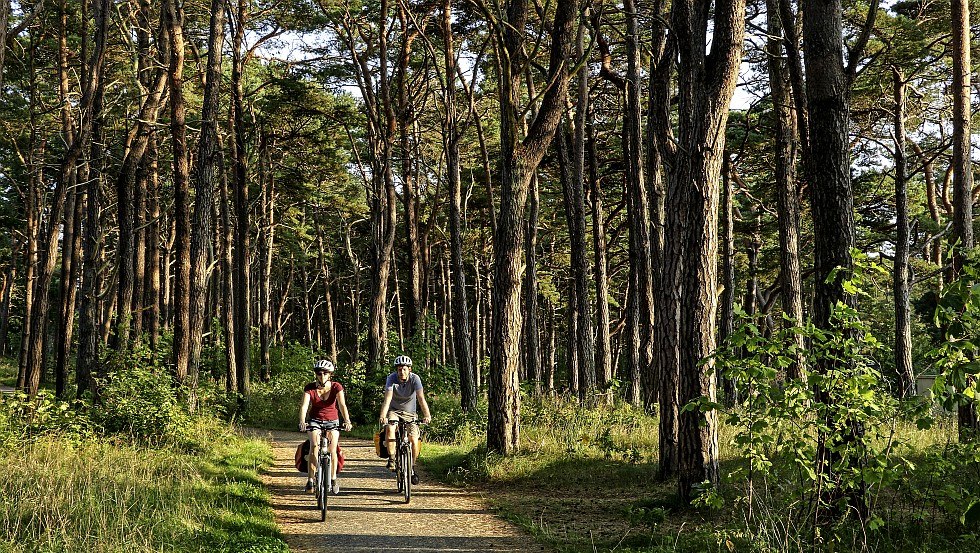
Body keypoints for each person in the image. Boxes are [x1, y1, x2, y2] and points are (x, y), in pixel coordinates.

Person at [298, 359, 352, 495]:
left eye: (325, 373)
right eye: (319, 373)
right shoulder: (309, 388)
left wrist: (347, 421)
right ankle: (310, 480)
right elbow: (304, 406)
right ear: (316, 374)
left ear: (330, 375)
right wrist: (302, 421)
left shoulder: (336, 387)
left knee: (332, 449)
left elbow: (342, 405)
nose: (322, 376)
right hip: (315, 421)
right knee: (314, 446)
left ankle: (333, 479)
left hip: (332, 421)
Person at [378, 355, 431, 485]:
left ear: (409, 369)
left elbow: (421, 398)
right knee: (390, 428)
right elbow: (387, 399)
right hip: (394, 411)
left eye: (404, 369)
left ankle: (411, 467)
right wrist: (383, 416)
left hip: (410, 413)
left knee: (413, 439)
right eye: (399, 369)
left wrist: (427, 415)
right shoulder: (391, 379)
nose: (402, 372)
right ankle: (391, 459)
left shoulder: (415, 379)